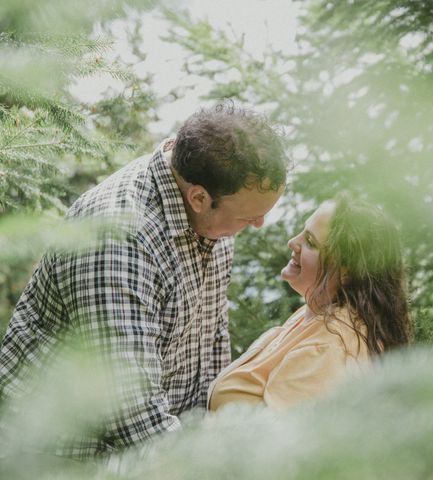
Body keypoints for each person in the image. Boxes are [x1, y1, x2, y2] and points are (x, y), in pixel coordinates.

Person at [0, 104, 288, 457]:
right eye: (249, 217)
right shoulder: (117, 238)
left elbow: (211, 340)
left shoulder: (213, 206)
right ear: (198, 197)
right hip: (57, 452)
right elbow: (131, 409)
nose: (258, 224)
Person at [208, 194, 413, 411]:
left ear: (347, 272)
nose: (293, 242)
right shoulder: (319, 312)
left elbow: (274, 440)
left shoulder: (328, 348)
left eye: (310, 241)